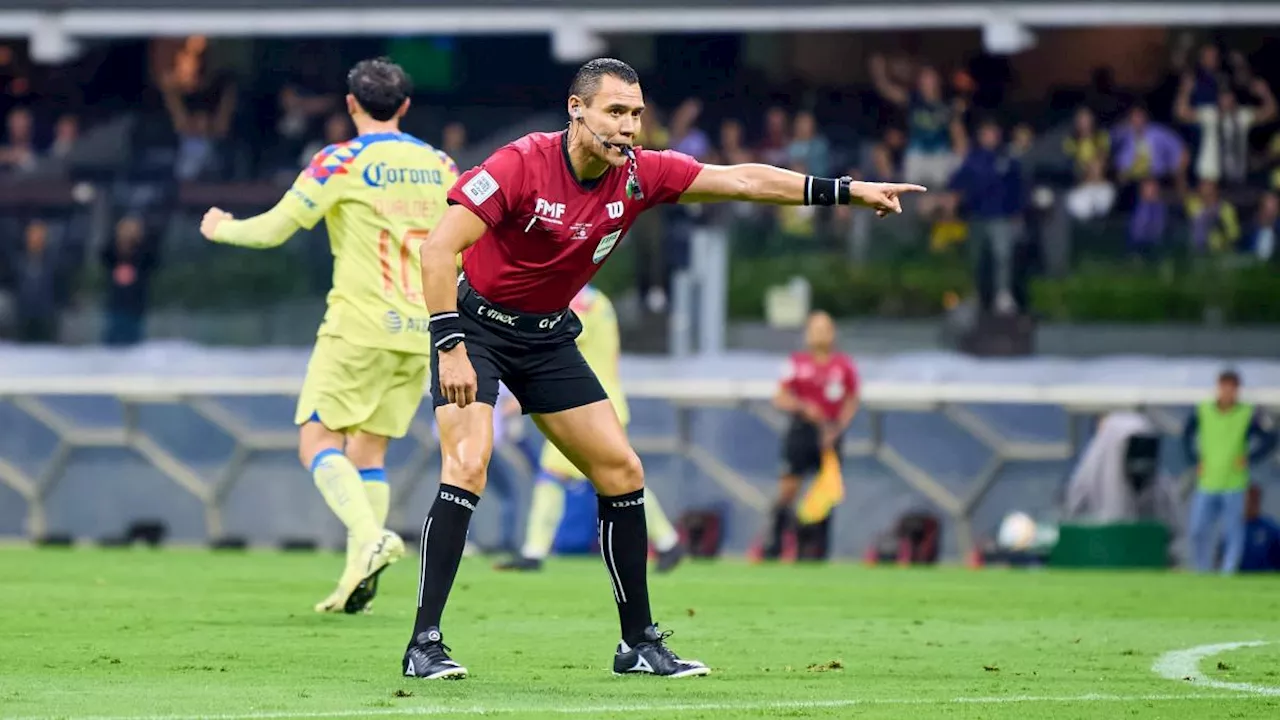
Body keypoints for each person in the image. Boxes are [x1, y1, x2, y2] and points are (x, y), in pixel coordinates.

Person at [406, 57, 924, 681]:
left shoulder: (641, 175)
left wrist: (845, 190)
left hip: (546, 340)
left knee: (623, 472)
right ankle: (424, 644)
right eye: (615, 112)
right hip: (476, 329)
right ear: (577, 109)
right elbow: (438, 249)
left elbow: (742, 182)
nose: (629, 126)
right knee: (468, 464)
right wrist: (450, 343)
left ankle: (637, 645)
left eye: (636, 114)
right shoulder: (520, 163)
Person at [198, 57, 459, 613]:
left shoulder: (340, 161)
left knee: (317, 440)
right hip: (422, 330)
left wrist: (222, 228)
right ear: (406, 107)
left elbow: (273, 231)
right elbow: (469, 243)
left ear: (350, 105)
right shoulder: (442, 166)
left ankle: (371, 540)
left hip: (360, 327)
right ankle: (351, 582)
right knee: (370, 452)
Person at [496, 284, 685, 573]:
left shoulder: (581, 299)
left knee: (562, 475)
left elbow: (555, 338)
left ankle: (534, 553)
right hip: (591, 405)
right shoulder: (594, 298)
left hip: (590, 406)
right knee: (617, 478)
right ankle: (668, 542)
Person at [763, 311, 859, 560]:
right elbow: (779, 397)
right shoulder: (796, 362)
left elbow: (851, 399)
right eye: (816, 329)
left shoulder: (843, 365)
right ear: (807, 333)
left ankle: (816, 548)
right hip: (801, 431)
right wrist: (804, 407)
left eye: (826, 329)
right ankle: (775, 541)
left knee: (826, 490)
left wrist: (837, 428)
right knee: (789, 487)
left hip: (830, 433)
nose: (821, 334)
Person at [1182, 369, 1278, 574]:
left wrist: (1250, 457)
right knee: (1198, 529)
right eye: (1224, 387)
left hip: (1234, 482)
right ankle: (1202, 570)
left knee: (1232, 531)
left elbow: (1270, 438)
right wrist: (1194, 459)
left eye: (1231, 388)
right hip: (1207, 480)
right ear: (1218, 387)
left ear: (1237, 390)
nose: (1227, 392)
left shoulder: (1247, 413)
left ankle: (1228, 573)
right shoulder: (1203, 410)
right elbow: (1186, 435)